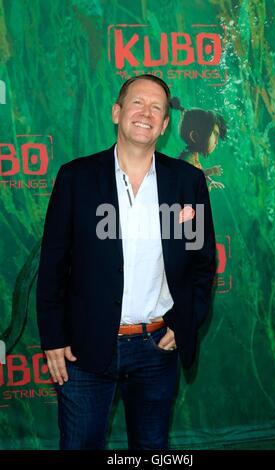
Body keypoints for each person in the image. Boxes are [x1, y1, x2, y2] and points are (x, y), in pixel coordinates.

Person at [36, 74, 216, 450]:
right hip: (84, 350)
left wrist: (185, 323)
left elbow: (202, 263)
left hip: (156, 349)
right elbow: (53, 265)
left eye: (157, 108)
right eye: (137, 103)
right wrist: (52, 337)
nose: (146, 113)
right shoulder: (76, 178)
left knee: (151, 449)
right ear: (117, 112)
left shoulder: (187, 182)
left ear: (166, 124)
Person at [170, 97, 227, 190]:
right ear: (195, 136)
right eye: (215, 134)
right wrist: (211, 171)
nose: (216, 142)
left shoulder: (193, 155)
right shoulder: (187, 157)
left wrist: (211, 181)